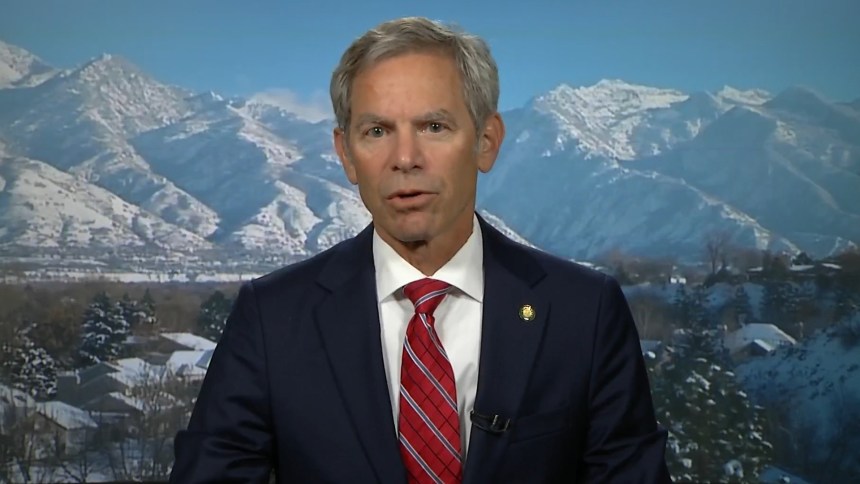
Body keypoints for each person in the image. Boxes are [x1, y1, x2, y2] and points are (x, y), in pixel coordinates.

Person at [170, 16, 670, 483]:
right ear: (346, 155)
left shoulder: (584, 312)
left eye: (434, 127)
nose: (405, 158)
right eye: (377, 131)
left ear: (486, 141)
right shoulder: (272, 318)